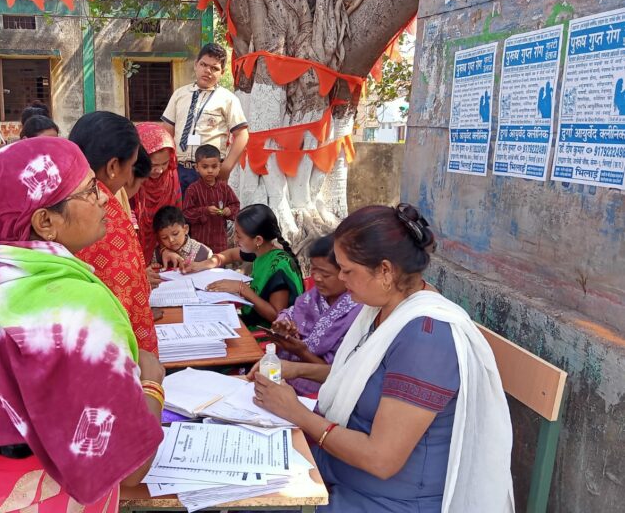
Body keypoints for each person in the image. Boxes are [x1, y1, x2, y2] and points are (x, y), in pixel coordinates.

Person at [0, 137, 166, 512]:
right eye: (89, 191)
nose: (105, 198)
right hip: (42, 496)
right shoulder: (75, 308)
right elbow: (129, 467)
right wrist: (152, 383)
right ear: (45, 222)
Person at [249, 204, 514, 512]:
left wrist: (297, 413)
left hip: (387, 499)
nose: (342, 279)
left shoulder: (426, 339)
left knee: (253, 499)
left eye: (348, 271)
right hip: (344, 472)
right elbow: (363, 375)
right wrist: (295, 368)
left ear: (386, 271)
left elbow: (381, 459)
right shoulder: (384, 309)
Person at [70, 111, 158, 354]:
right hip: (108, 352)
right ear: (113, 166)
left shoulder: (62, 198)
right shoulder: (102, 212)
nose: (130, 176)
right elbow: (124, 294)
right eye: (130, 166)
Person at [268, 235, 362, 396]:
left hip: (320, 389)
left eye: (325, 275)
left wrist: (301, 352)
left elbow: (338, 373)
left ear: (345, 273)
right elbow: (290, 313)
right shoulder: (313, 296)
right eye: (313, 270)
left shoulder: (358, 312)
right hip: (285, 372)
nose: (317, 278)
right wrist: (282, 324)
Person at [184, 204, 303, 330]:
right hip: (253, 320)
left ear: (258, 240)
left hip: (267, 334)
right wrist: (201, 265)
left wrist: (242, 289)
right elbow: (229, 255)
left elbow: (277, 317)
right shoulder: (260, 251)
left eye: (239, 236)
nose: (234, 239)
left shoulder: (278, 267)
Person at [161, 43, 249, 192]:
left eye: (214, 68)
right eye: (203, 65)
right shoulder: (179, 94)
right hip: (179, 169)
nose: (207, 71)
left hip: (209, 172)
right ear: (196, 65)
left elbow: (242, 134)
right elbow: (168, 129)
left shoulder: (228, 99)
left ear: (222, 72)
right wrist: (166, 163)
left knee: (209, 213)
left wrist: (226, 167)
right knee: (178, 213)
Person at [133, 122, 182, 263]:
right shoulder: (131, 181)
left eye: (165, 163)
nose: (160, 170)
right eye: (153, 165)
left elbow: (174, 216)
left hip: (166, 250)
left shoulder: (171, 176)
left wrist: (165, 247)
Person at [182, 144, 240, 254]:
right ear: (197, 167)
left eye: (214, 167)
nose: (209, 171)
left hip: (220, 242)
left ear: (220, 166)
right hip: (200, 242)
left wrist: (229, 211)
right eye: (205, 167)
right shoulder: (193, 190)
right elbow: (186, 213)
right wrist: (205, 211)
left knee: (219, 268)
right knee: (200, 268)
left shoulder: (224, 188)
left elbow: (236, 205)